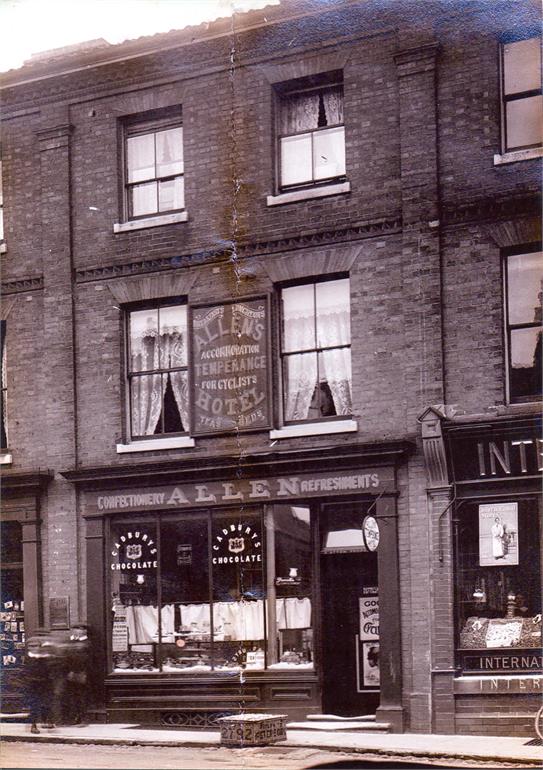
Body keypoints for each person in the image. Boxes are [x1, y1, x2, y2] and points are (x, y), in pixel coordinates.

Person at [25, 630, 56, 733]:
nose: (34, 648)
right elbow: (25, 673)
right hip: (32, 685)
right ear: (28, 647)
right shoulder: (28, 659)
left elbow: (50, 671)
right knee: (34, 705)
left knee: (46, 703)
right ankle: (33, 725)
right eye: (32, 646)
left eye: (36, 646)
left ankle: (47, 721)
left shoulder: (45, 658)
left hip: (45, 684)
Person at [64, 624, 90, 725]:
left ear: (83, 631)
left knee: (82, 696)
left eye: (77, 630)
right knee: (73, 696)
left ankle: (82, 718)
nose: (74, 632)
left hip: (82, 673)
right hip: (72, 673)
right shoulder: (73, 642)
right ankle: (76, 717)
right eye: (73, 630)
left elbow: (87, 660)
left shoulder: (87, 643)